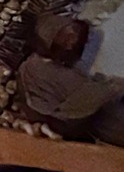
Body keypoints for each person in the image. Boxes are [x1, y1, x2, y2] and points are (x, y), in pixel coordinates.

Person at [18, 13, 124, 147]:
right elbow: (85, 100)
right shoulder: (46, 70)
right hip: (87, 126)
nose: (71, 45)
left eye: (75, 39)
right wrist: (113, 86)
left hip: (75, 123)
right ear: (50, 41)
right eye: (66, 39)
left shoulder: (34, 65)